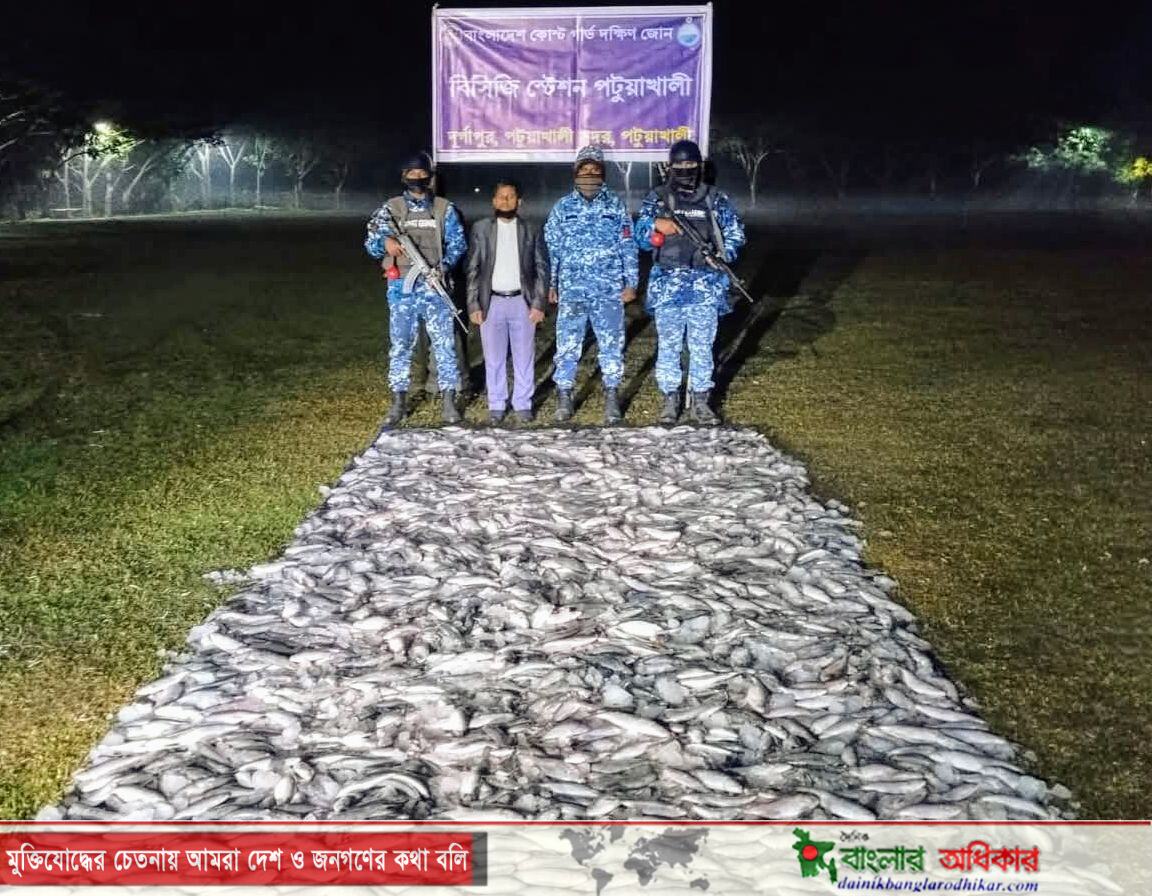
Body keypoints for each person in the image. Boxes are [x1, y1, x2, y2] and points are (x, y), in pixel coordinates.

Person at [634, 139, 746, 426]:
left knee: (702, 347)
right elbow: (640, 236)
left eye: (691, 164)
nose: (685, 169)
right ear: (670, 166)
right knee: (669, 346)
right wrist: (656, 226)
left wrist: (721, 254)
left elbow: (735, 235)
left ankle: (700, 401)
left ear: (700, 166)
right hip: (668, 286)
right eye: (680, 164)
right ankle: (670, 400)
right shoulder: (658, 198)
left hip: (704, 287)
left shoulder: (714, 198)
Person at [364, 151, 467, 425]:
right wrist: (385, 243)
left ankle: (448, 400)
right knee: (401, 345)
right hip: (402, 287)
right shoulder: (391, 209)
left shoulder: (444, 209)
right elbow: (371, 242)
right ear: (404, 177)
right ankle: (398, 401)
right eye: (412, 174)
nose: (418, 178)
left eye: (422, 174)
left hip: (435, 285)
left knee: (444, 345)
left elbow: (458, 244)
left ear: (430, 177)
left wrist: (443, 267)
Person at [543, 145, 639, 425]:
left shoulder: (616, 206)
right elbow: (553, 249)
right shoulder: (563, 207)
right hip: (572, 288)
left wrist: (631, 282)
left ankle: (611, 396)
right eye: (584, 170)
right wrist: (552, 283)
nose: (589, 174)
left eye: (595, 170)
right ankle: (564, 395)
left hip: (608, 289)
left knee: (611, 343)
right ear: (576, 173)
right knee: (567, 344)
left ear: (603, 173)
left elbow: (628, 245)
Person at [465, 180, 549, 423]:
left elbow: (542, 268)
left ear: (519, 201)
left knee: (524, 356)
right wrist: (473, 304)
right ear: (494, 201)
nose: (505, 201)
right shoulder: (481, 229)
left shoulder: (531, 229)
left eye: (510, 196)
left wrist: (538, 303)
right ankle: (497, 404)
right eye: (501, 196)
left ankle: (522, 403)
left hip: (522, 301)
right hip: (491, 302)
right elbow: (473, 268)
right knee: (494, 358)